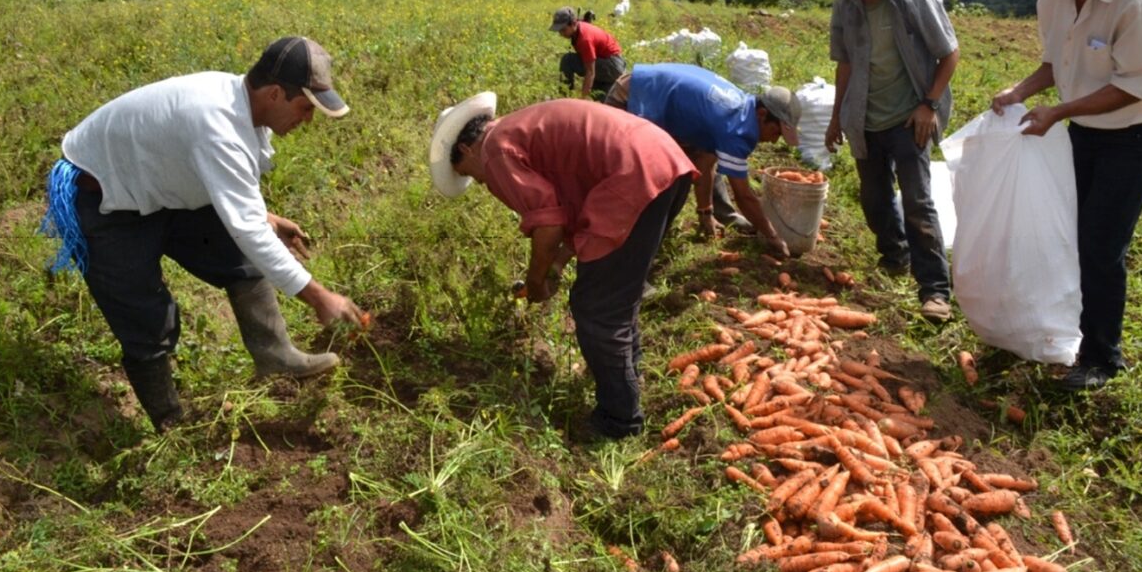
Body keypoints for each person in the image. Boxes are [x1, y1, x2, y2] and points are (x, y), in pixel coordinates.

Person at [40, 37, 366, 432]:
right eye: (304, 108)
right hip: (106, 200)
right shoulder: (216, 123)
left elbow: (216, 181)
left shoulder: (239, 104)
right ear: (276, 93)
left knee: (239, 256)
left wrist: (265, 215)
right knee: (145, 316)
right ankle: (170, 423)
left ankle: (276, 357)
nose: (308, 120)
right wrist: (319, 297)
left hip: (158, 190)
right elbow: (242, 216)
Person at [429, 94, 695, 439]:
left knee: (596, 308)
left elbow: (549, 224)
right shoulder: (518, 129)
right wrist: (555, 266)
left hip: (632, 175)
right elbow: (573, 204)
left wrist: (535, 280)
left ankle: (619, 421)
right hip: (664, 161)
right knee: (617, 290)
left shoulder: (495, 152)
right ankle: (630, 372)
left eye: (471, 176)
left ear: (465, 150)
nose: (482, 183)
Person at [991, 0, 1142, 390]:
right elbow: (1058, 63)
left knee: (1101, 246)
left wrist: (1059, 112)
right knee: (1070, 237)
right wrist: (1020, 91)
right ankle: (1071, 330)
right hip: (1083, 135)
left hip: (1134, 140)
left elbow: (1132, 87)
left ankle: (1103, 357)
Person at [825, 0, 960, 323]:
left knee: (918, 202)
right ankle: (895, 256)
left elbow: (949, 54)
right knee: (874, 199)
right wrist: (837, 119)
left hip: (909, 118)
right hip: (865, 117)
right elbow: (845, 65)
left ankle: (934, 290)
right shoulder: (845, 5)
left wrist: (928, 105)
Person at [604, 63, 801, 256]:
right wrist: (772, 236)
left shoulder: (742, 109)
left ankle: (640, 248)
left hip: (647, 88)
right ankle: (620, 257)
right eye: (775, 132)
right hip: (634, 96)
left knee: (678, 176)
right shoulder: (737, 129)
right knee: (644, 187)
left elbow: (704, 164)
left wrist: (706, 213)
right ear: (762, 114)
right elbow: (744, 196)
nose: (774, 141)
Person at [550, 6, 626, 98]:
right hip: (608, 64)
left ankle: (563, 98)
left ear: (573, 24)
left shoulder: (585, 39)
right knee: (600, 97)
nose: (561, 34)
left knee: (568, 60)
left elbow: (590, 71)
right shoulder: (577, 28)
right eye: (559, 31)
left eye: (563, 30)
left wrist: (582, 99)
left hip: (612, 65)